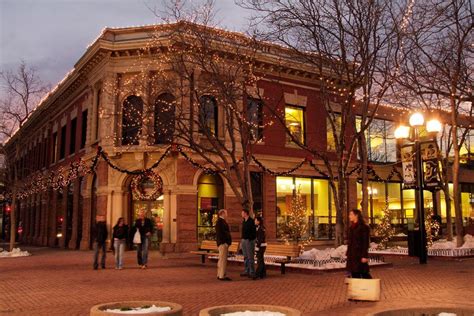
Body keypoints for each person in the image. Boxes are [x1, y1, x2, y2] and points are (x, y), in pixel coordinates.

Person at [346, 209, 372, 279]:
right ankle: (358, 289)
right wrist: (348, 253)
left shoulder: (364, 227)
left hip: (359, 255)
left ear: (356, 215)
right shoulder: (351, 228)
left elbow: (365, 242)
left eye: (351, 214)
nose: (349, 216)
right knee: (354, 273)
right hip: (352, 255)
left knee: (364, 274)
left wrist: (364, 256)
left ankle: (370, 288)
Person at [215, 209, 232, 281]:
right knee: (223, 260)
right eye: (226, 213)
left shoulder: (221, 222)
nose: (227, 215)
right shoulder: (220, 222)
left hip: (222, 243)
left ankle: (220, 274)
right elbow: (221, 233)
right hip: (223, 243)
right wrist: (224, 242)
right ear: (222, 214)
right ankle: (222, 275)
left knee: (221, 259)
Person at [240, 209, 256, 278]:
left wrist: (250, 239)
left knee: (250, 257)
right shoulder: (244, 221)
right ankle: (247, 270)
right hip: (244, 240)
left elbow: (254, 232)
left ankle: (252, 271)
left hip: (249, 241)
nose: (241, 214)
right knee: (245, 256)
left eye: (242, 213)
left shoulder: (251, 221)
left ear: (246, 213)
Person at [253, 216, 266, 280]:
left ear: (258, 221)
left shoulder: (261, 228)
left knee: (259, 260)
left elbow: (260, 239)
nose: (254, 221)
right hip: (261, 245)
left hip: (261, 246)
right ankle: (263, 273)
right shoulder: (258, 228)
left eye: (255, 220)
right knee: (261, 259)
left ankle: (257, 274)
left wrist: (257, 246)